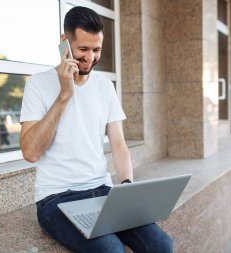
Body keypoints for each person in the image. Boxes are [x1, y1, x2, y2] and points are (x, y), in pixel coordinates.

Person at [19, 6, 173, 253]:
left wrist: (126, 184)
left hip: (103, 191)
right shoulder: (38, 84)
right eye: (82, 50)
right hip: (56, 198)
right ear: (65, 43)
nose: (90, 58)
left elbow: (119, 145)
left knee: (161, 245)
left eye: (97, 50)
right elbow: (30, 152)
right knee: (111, 250)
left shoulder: (105, 87)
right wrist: (64, 95)